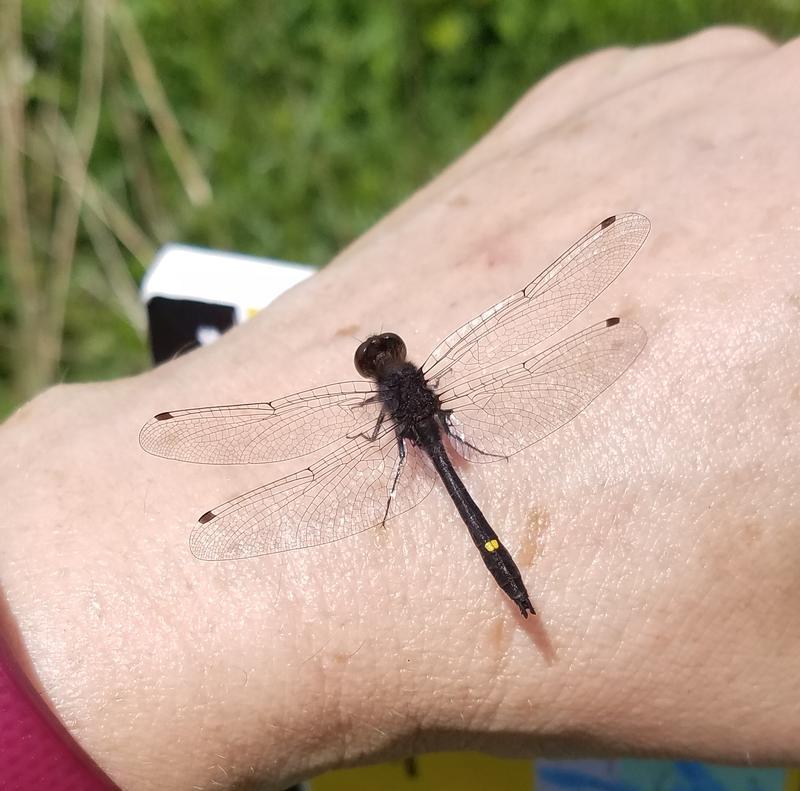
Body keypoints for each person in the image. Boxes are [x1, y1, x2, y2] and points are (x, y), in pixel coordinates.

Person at [1, 27, 797, 790]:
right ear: (401, 368)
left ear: (383, 375)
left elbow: (381, 444)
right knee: (465, 494)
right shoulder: (426, 383)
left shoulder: (381, 406)